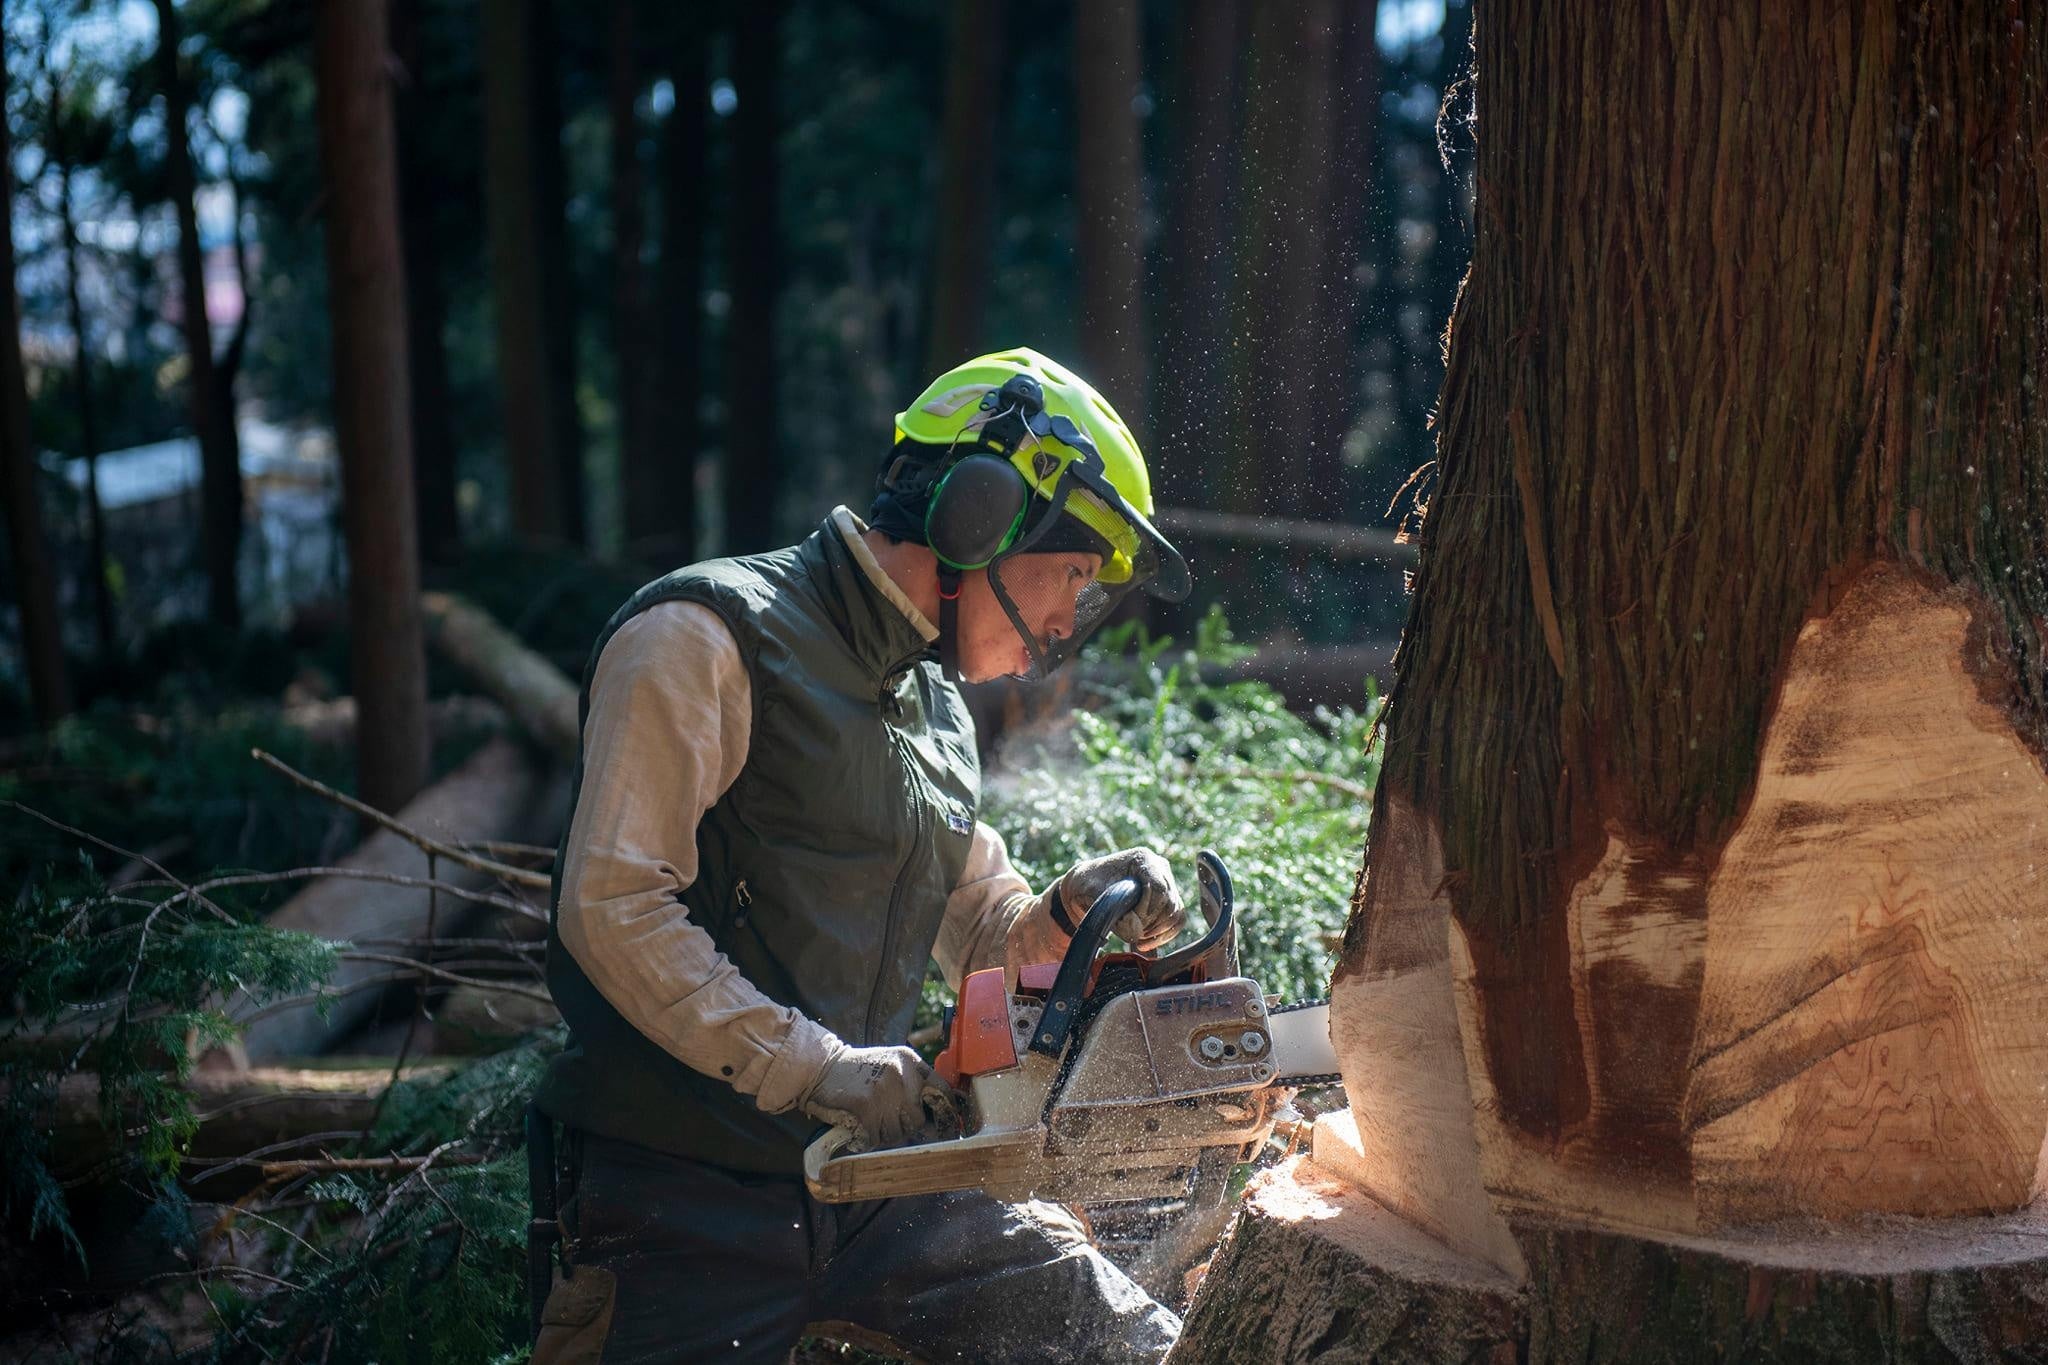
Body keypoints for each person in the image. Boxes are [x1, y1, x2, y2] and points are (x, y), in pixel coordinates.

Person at [530, 349, 1195, 1364]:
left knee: (1134, 1348)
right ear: (980, 515)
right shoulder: (703, 638)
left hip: (878, 1183)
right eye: (1069, 573)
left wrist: (1064, 912)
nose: (1068, 618)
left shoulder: (931, 705)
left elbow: (978, 928)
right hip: (676, 1201)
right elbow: (613, 907)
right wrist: (818, 1068)